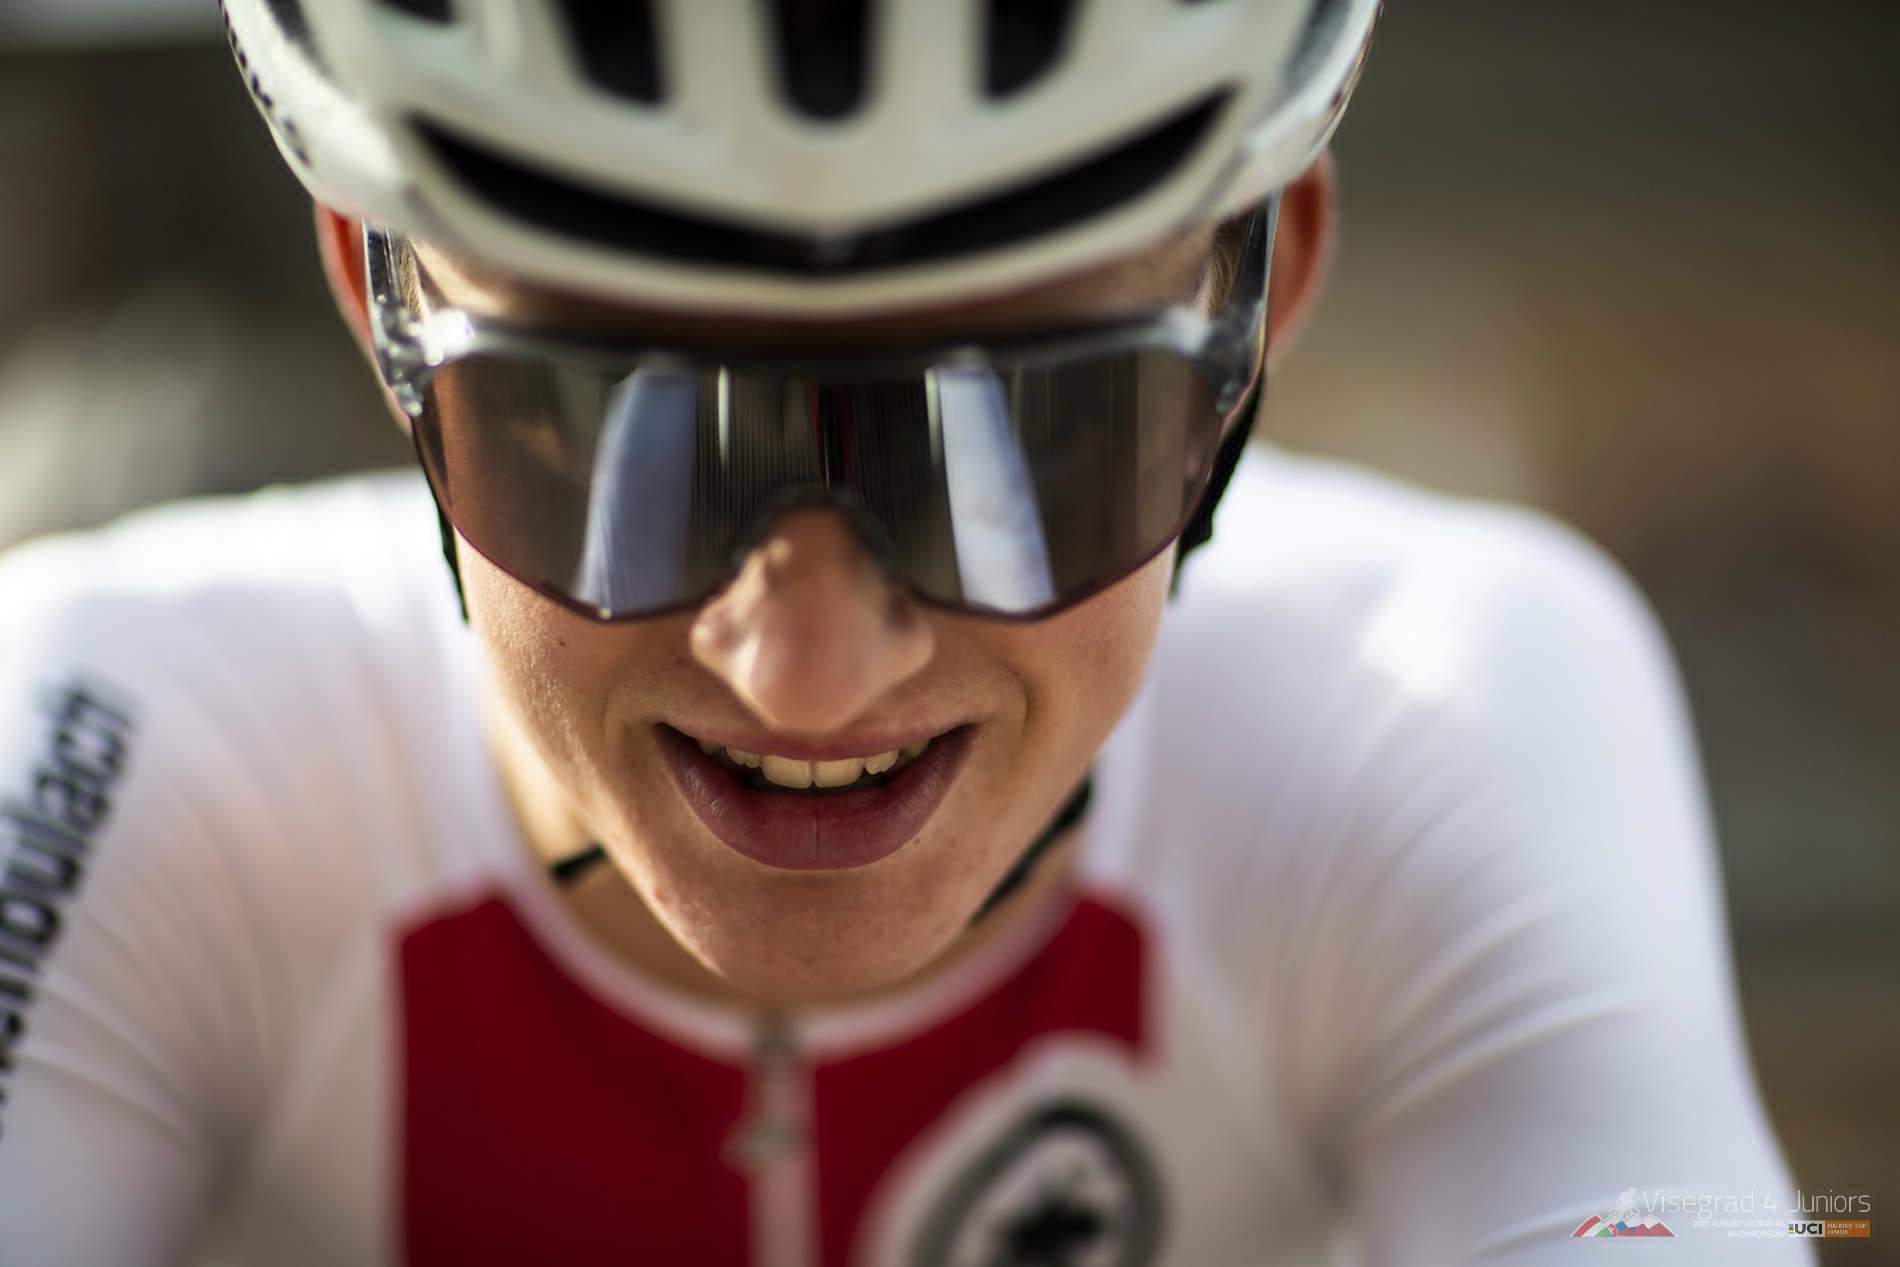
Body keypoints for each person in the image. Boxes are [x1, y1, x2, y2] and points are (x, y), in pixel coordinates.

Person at [0, 2, 1813, 1264]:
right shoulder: (123, 748)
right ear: (367, 283)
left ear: (1262, 309)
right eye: (620, 438)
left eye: (1022, 440)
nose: (809, 671)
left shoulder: (1430, 711)